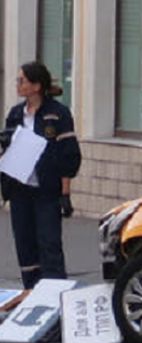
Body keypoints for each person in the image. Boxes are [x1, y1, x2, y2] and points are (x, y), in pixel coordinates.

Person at [0, 61, 81, 289]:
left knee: (49, 245)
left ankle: (54, 298)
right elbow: (8, 151)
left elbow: (69, 155)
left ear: (36, 86)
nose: (18, 84)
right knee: (25, 246)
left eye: (22, 80)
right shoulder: (16, 114)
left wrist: (65, 192)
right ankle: (30, 295)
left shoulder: (57, 114)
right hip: (19, 190)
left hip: (46, 191)